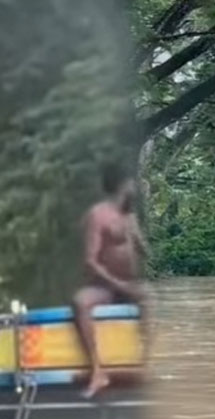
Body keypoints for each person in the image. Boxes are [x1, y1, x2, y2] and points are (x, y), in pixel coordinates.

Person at [73, 162, 148, 399]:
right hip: (106, 286)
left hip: (131, 285)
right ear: (123, 185)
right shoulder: (99, 215)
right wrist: (119, 284)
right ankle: (98, 371)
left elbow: (147, 253)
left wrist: (138, 237)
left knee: (157, 299)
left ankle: (145, 364)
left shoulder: (130, 217)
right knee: (80, 302)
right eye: (133, 183)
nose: (136, 187)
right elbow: (91, 261)